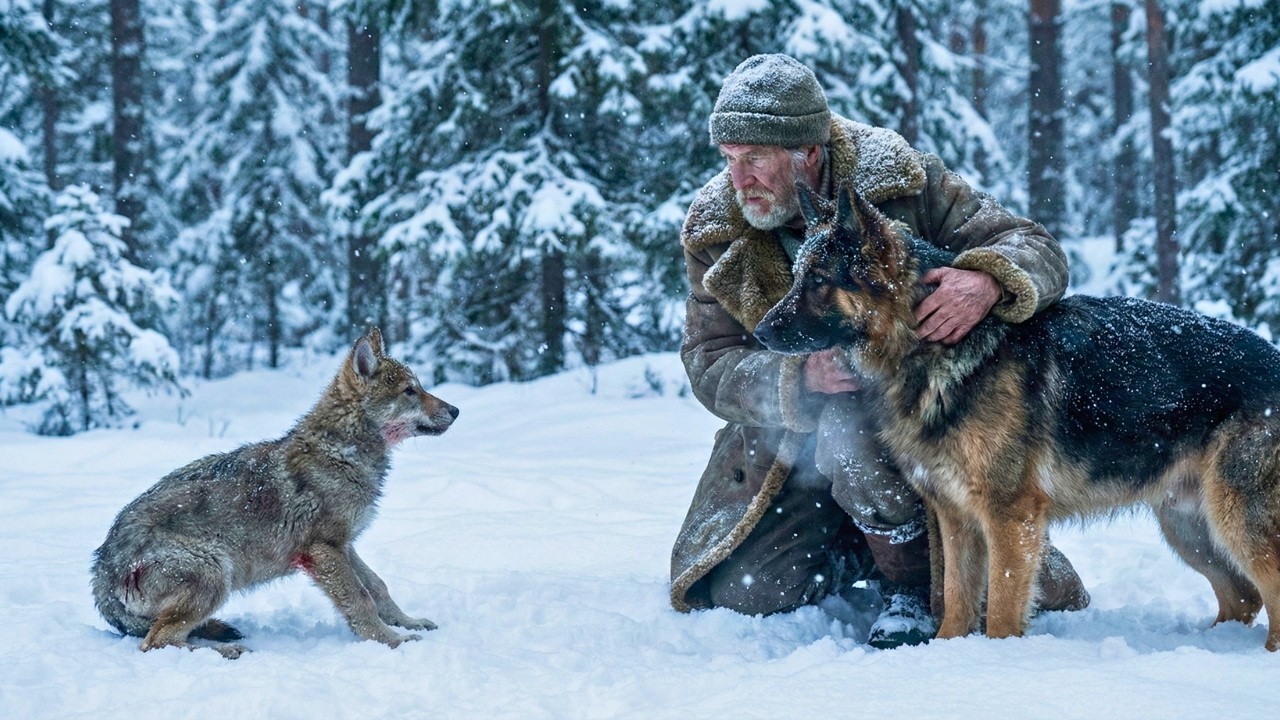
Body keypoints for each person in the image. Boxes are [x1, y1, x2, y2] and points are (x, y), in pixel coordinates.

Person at [669, 53, 1090, 648]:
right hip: (790, 444)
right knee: (750, 593)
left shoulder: (904, 179)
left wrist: (989, 278)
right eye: (731, 160)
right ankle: (867, 545)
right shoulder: (717, 229)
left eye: (756, 159)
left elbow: (1032, 244)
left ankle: (915, 586)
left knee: (853, 438)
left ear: (808, 152)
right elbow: (708, 361)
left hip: (935, 417)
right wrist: (796, 378)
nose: (740, 180)